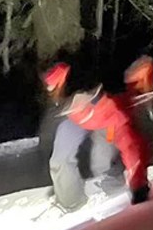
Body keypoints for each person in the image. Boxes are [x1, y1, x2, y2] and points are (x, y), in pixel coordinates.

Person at [66, 57, 153, 205]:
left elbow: (131, 150)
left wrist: (138, 187)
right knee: (111, 152)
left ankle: (122, 187)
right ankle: (122, 186)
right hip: (109, 122)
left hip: (111, 122)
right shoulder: (108, 109)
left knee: (117, 151)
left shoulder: (113, 111)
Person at [43, 62, 119, 211]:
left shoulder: (85, 85)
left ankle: (110, 186)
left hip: (99, 113)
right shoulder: (63, 89)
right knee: (60, 161)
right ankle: (70, 199)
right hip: (73, 115)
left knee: (102, 155)